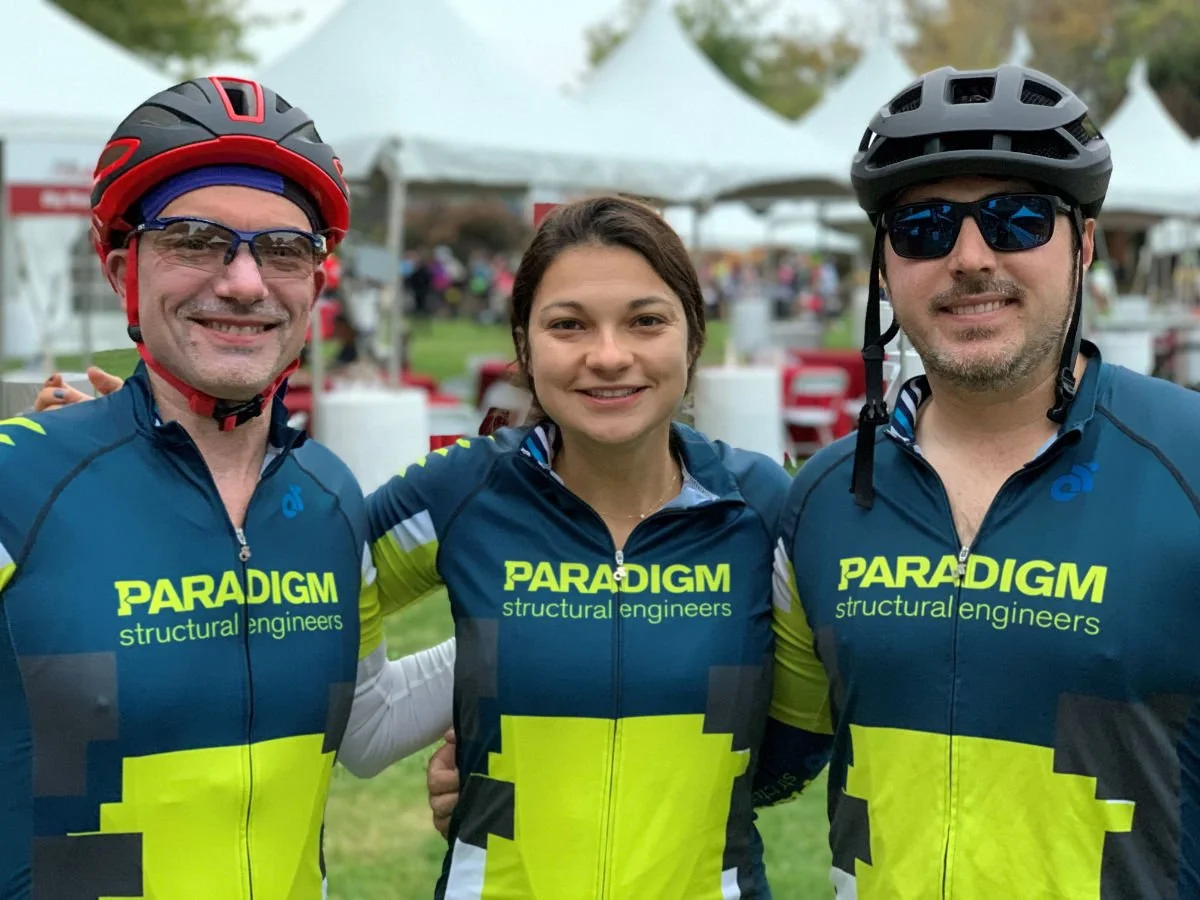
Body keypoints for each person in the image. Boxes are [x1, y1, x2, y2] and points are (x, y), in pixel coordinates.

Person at [40, 195, 828, 898]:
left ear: (693, 334)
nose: (609, 354)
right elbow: (283, 561)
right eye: (568, 324)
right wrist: (150, 457)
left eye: (646, 320)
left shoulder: (767, 505)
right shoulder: (463, 491)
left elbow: (805, 734)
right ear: (524, 344)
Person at [0, 76, 453, 898]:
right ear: (120, 269)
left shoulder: (327, 496)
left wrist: (532, 630)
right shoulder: (18, 480)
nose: (244, 283)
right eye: (195, 239)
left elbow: (367, 725)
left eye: (283, 250)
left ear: (316, 285)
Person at [763, 63, 1200, 897]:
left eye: (1017, 220)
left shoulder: (1190, 463)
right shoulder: (821, 498)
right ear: (885, 266)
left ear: (1084, 246)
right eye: (923, 229)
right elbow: (770, 754)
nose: (969, 258)